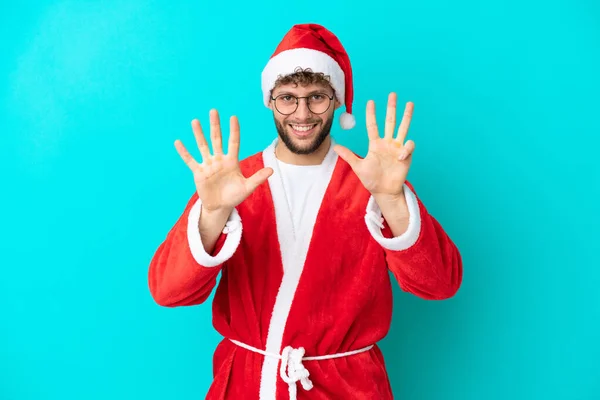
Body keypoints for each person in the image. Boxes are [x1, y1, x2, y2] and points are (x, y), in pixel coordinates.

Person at [148, 23, 463, 400]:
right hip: (249, 385)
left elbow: (440, 284)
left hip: (351, 388)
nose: (302, 112)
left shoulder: (373, 181)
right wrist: (213, 212)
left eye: (317, 97)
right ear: (270, 100)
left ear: (336, 101)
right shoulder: (233, 183)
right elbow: (168, 291)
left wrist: (392, 199)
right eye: (287, 97)